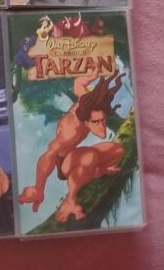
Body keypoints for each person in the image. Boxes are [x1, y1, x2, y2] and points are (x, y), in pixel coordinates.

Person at [19, 68, 125, 223]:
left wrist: (92, 75)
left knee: (118, 150)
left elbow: (78, 84)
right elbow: (49, 154)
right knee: (90, 156)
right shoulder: (71, 131)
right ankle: (70, 199)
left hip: (78, 156)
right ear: (86, 121)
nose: (102, 127)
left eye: (103, 120)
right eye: (96, 122)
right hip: (65, 164)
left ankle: (96, 171)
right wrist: (39, 188)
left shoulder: (85, 101)